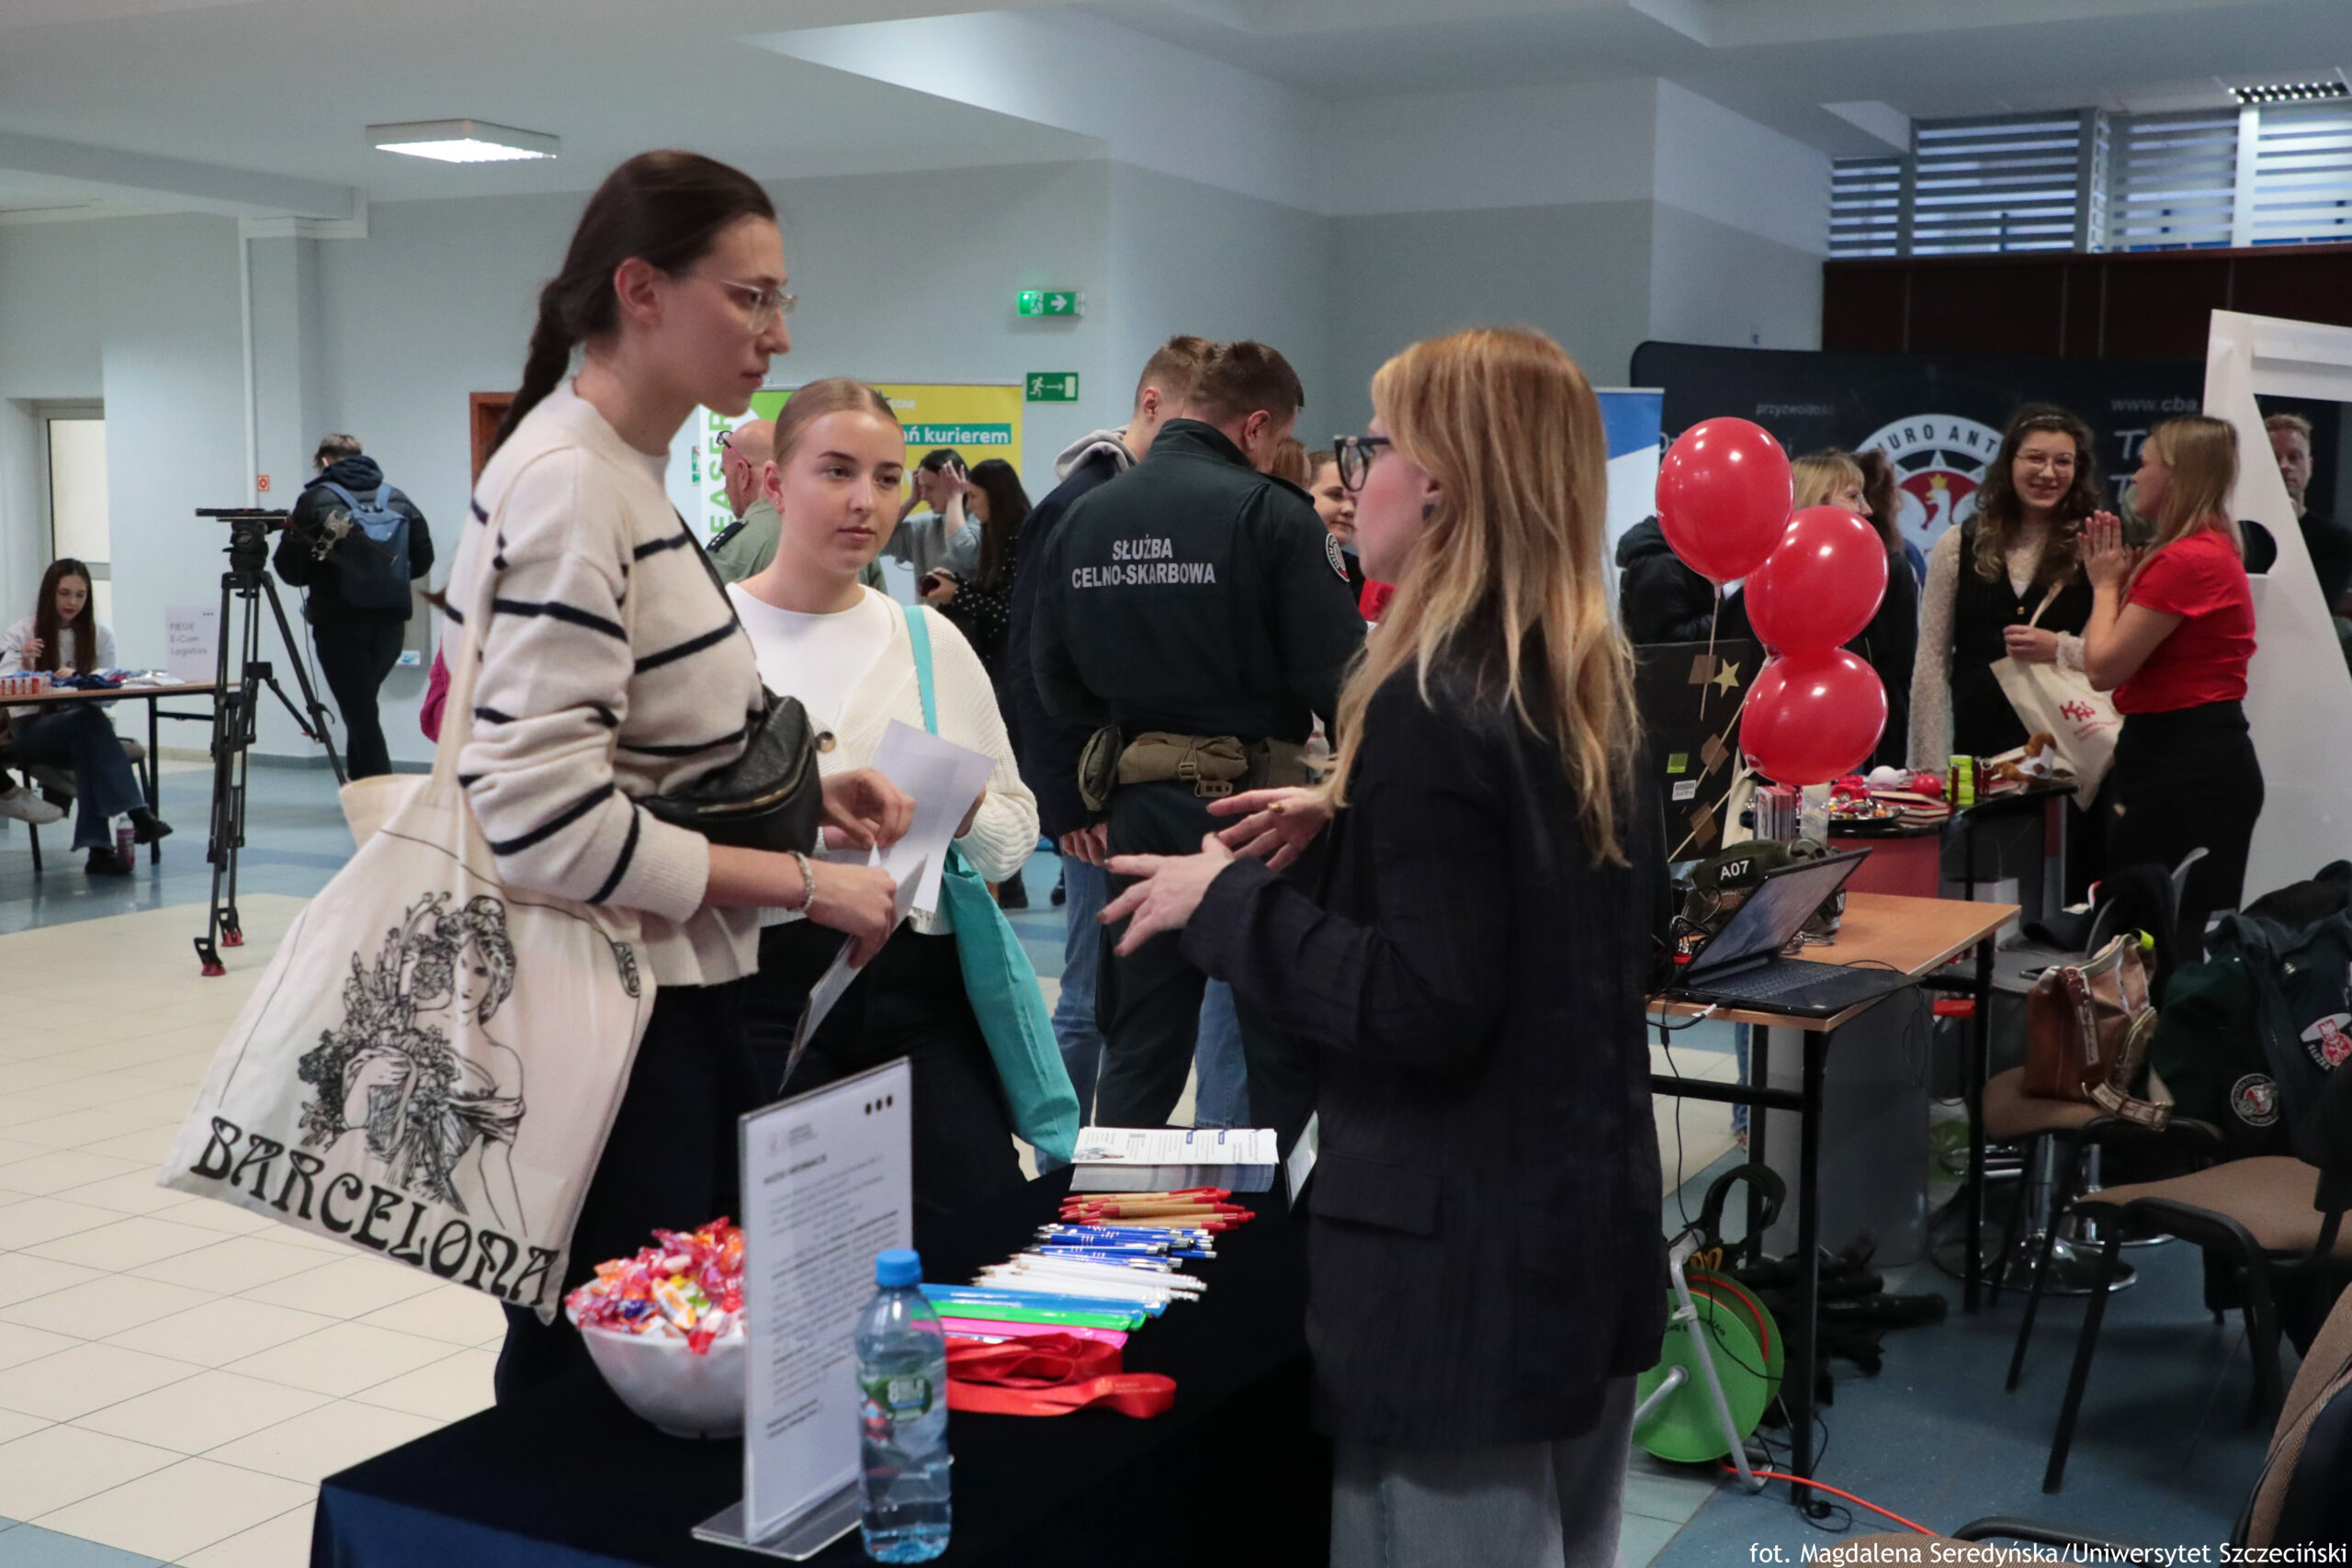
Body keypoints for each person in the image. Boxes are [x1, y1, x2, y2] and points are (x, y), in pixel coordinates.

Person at [1098, 327, 1666, 1567]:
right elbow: (1597, 920)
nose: (1357, 474)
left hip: (1455, 1277)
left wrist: (1227, 904)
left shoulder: (1426, 701)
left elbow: (1424, 1003)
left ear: (1452, 479)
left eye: (1382, 442)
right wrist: (1350, 812)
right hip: (1578, 1238)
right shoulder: (1582, 679)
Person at [450, 150, 911, 1401]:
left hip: (666, 1005)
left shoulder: (619, 473)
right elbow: (540, 814)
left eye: (782, 302)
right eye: (748, 297)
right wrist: (805, 878)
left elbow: (645, 739)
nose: (773, 333)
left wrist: (809, 791)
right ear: (642, 288)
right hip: (611, 1022)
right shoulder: (571, 483)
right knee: (600, 1396)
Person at [1032, 340, 1363, 1150]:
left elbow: (1051, 677)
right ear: (1256, 426)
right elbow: (1343, 683)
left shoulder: (1084, 515)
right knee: (1273, 1050)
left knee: (1139, 1047)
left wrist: (1093, 785)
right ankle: (1262, 1249)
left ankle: (1111, 1242)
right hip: (1257, 821)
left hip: (1138, 814)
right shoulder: (1275, 516)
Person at [731, 378, 1041, 1212]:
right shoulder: (713, 642)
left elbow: (1014, 835)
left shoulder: (927, 640)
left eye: (885, 476)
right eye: (835, 472)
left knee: (978, 1233)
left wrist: (965, 809)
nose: (864, 501)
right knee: (789, 1268)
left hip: (915, 991)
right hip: (758, 994)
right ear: (773, 485)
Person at [1001, 334, 1211, 1119]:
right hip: (1099, 797)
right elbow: (1032, 665)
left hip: (1142, 786)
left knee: (1124, 995)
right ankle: (1060, 1157)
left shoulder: (1154, 500)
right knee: (1089, 996)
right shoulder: (1078, 506)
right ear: (1151, 405)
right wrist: (1070, 807)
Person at [2083, 416, 2261, 965]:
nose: (2134, 475)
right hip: (2189, 760)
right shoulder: (2208, 549)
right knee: (2166, 937)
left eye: (2145, 463)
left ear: (2177, 474)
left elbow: (2103, 667)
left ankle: (2150, 1051)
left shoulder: (2187, 560)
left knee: (2150, 940)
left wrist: (2106, 584)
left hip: (2184, 767)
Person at [1908, 403, 2106, 768]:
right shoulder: (1957, 543)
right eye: (2035, 458)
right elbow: (1932, 665)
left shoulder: (2096, 547)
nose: (2048, 473)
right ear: (2009, 463)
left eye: (2063, 461)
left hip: (2062, 751)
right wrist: (1930, 763)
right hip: (1973, 748)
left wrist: (2057, 647)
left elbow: (2109, 660)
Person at [273, 434, 434, 779]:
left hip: (338, 623)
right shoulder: (398, 498)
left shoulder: (316, 499)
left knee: (359, 712)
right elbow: (422, 562)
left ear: (325, 461)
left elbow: (291, 571)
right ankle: (360, 786)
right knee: (360, 706)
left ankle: (382, 794)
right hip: (391, 623)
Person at [1, 558, 170, 874]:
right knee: (90, 725)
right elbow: (10, 697)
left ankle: (99, 851)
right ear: (50, 593)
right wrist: (27, 663)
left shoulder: (101, 634)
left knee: (89, 734)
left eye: (80, 595)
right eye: (65, 593)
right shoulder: (23, 631)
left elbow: (106, 699)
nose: (72, 602)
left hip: (81, 728)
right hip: (31, 729)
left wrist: (81, 680)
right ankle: (137, 813)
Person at [1792, 449, 1916, 771]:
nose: (1868, 509)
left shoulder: (1889, 571)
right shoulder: (1767, 578)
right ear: (1817, 501)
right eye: (1853, 496)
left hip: (1865, 755)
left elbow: (1900, 675)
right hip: (1785, 747)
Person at [920, 457, 1029, 681]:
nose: (968, 505)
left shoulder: (1024, 537)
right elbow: (994, 593)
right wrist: (957, 583)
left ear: (996, 496)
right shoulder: (996, 535)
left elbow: (1011, 612)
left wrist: (957, 594)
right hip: (997, 663)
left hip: (1016, 667)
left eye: (973, 496)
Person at [2264, 412, 2352, 614]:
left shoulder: (2337, 540)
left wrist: (2288, 533)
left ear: (2309, 466)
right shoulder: (2241, 533)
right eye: (2274, 458)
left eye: (2294, 457)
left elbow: (2316, 606)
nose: (2285, 466)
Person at [1615, 511, 1724, 645]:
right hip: (1674, 664)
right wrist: (1728, 619)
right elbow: (1668, 641)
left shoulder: (1676, 556)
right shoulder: (1661, 565)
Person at [888, 449, 982, 580]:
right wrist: (912, 501)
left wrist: (954, 497)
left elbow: (963, 551)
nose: (924, 496)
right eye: (922, 488)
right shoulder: (925, 529)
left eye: (930, 488)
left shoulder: (982, 524)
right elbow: (879, 540)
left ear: (956, 484)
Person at [704, 417, 777, 581]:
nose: (726, 489)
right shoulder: (822, 528)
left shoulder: (730, 553)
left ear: (743, 474)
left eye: (727, 476)